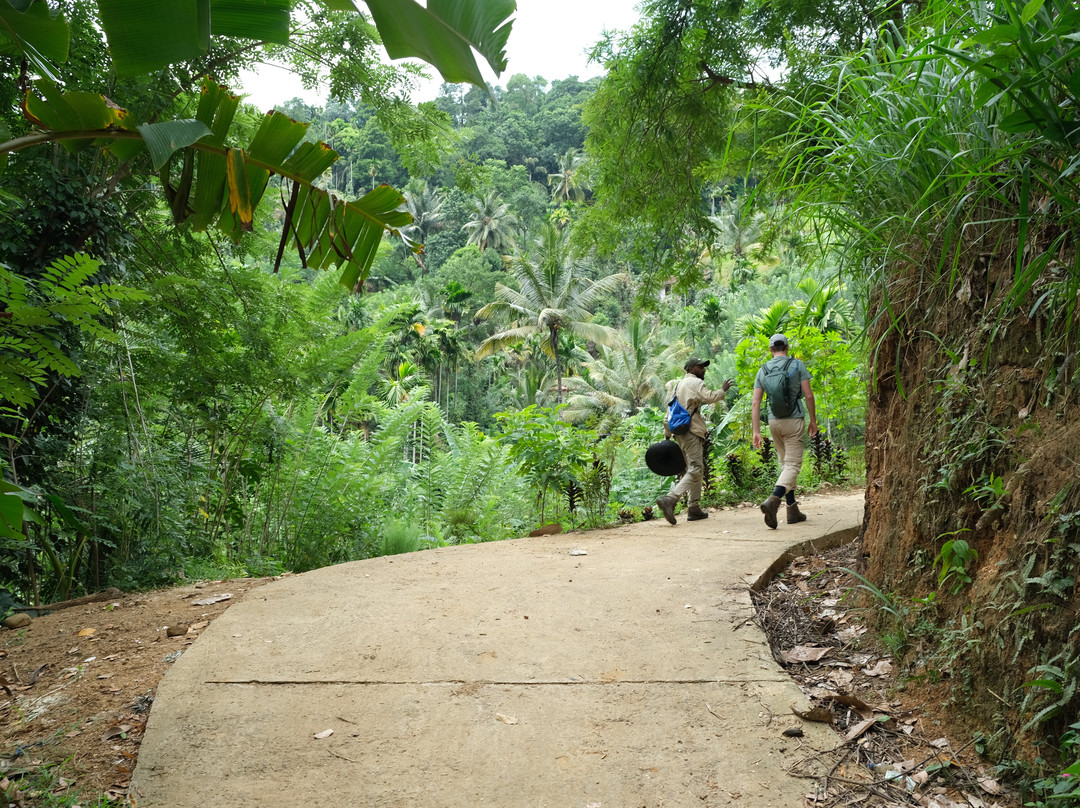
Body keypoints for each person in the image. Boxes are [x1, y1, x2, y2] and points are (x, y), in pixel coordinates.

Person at [751, 334, 818, 529]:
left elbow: (756, 402)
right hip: (794, 420)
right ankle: (774, 500)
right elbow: (808, 395)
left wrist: (756, 431)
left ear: (770, 349)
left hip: (773, 422)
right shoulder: (797, 365)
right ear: (787, 348)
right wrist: (813, 420)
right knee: (792, 466)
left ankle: (792, 509)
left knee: (784, 464)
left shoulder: (763, 370)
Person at [656, 358, 733, 525]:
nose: (704, 370)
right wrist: (722, 390)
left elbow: (670, 410)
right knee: (696, 469)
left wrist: (667, 433)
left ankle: (694, 508)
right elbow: (710, 397)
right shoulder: (695, 383)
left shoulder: (677, 386)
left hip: (679, 432)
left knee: (694, 469)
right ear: (691, 368)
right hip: (691, 431)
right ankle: (671, 498)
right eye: (700, 367)